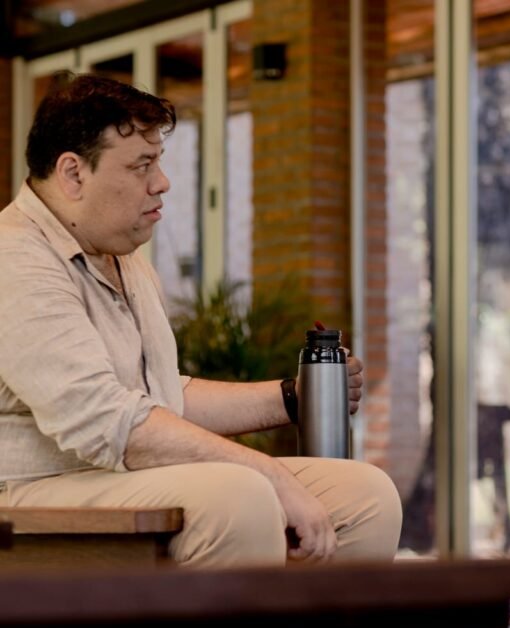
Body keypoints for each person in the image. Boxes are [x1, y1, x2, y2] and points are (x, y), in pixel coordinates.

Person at [0, 73, 402, 567]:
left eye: (158, 162)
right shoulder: (15, 258)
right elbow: (106, 419)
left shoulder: (124, 258)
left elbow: (160, 398)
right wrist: (270, 473)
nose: (162, 182)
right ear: (73, 173)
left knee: (366, 496)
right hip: (29, 495)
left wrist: (291, 397)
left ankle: (309, 624)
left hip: (117, 474)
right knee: (241, 497)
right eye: (142, 165)